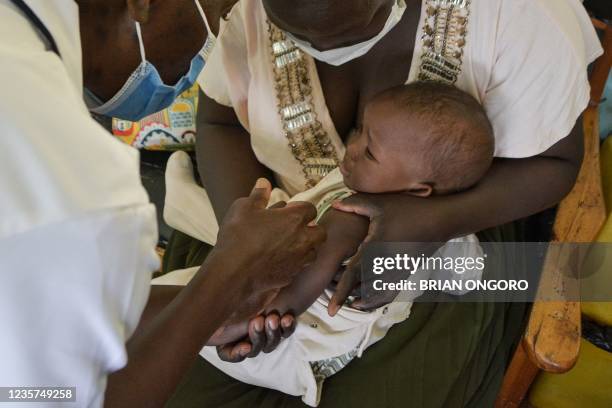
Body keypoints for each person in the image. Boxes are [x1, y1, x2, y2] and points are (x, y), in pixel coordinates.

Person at [161, 0, 603, 406]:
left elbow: (556, 163)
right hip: (254, 208)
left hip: (457, 227)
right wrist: (249, 255)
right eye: (292, 28)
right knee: (175, 384)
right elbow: (220, 122)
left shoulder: (520, 16)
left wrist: (428, 222)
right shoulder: (235, 8)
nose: (321, 48)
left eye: (350, 27)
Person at [0, 0, 325, 407]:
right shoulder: (84, 193)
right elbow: (51, 394)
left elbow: (41, 310)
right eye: (219, 12)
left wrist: (212, 299)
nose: (217, 35)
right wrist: (228, 279)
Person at [162, 81, 494, 406]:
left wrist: (248, 320)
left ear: (419, 189)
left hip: (292, 347)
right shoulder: (440, 228)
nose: (351, 149)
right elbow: (468, 275)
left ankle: (182, 208)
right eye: (360, 130)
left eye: (369, 152)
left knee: (176, 295)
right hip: (323, 345)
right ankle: (183, 205)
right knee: (272, 216)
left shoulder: (354, 219)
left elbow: (303, 286)